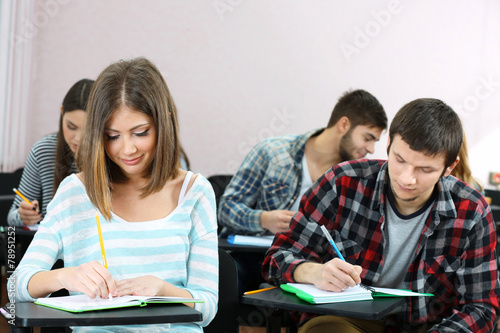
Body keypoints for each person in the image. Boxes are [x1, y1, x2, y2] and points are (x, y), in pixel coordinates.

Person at [9, 57, 218, 332]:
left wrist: (163, 289)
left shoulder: (195, 191)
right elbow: (16, 286)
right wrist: (65, 276)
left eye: (140, 133)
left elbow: (208, 308)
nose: (127, 149)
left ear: (163, 123)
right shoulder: (75, 192)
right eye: (112, 136)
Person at [263, 98, 500, 332]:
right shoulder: (342, 182)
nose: (407, 178)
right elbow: (276, 259)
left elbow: (480, 308)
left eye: (425, 169)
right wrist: (313, 272)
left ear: (449, 167)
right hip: (344, 320)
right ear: (388, 144)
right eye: (399, 160)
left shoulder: (472, 211)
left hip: (429, 327)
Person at [219, 89, 387, 294]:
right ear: (344, 125)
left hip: (311, 267)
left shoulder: (352, 181)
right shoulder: (272, 151)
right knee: (230, 277)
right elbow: (225, 209)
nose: (370, 149)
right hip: (253, 258)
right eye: (367, 138)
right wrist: (263, 219)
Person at [8, 79, 94, 227]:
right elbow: (12, 216)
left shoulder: (113, 153)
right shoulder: (44, 151)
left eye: (88, 130)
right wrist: (23, 215)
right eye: (71, 126)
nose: (78, 138)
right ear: (62, 113)